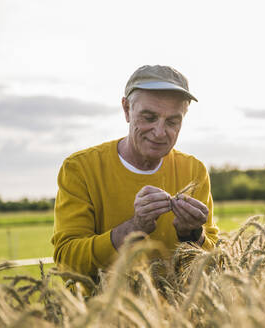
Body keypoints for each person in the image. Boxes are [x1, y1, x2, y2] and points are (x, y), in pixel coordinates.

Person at [51, 65, 219, 280]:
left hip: (178, 310)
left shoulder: (194, 170)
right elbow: (67, 261)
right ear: (126, 109)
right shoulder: (80, 168)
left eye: (172, 121)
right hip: (103, 310)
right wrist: (134, 227)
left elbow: (212, 265)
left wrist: (192, 235)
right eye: (149, 118)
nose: (159, 132)